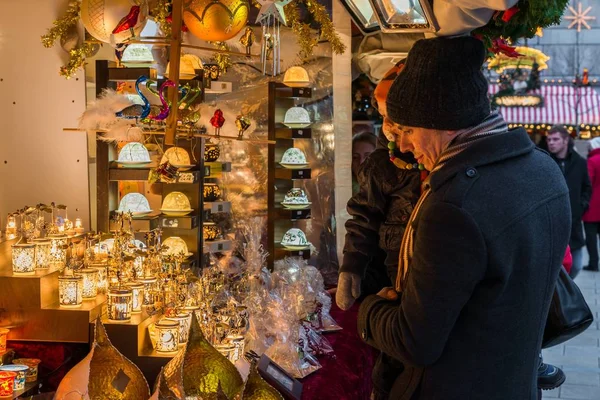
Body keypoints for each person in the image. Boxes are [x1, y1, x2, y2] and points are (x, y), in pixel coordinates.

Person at [357, 36, 571, 400]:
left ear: (443, 123)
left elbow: (415, 342)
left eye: (408, 130)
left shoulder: (453, 206)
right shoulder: (544, 169)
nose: (404, 146)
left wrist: (370, 308)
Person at [339, 61, 421, 308]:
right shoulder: (380, 164)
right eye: (383, 116)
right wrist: (352, 266)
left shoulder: (438, 159)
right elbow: (364, 216)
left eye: (394, 117)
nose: (389, 125)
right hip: (391, 279)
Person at [546, 126, 591, 278]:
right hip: (551, 223)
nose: (551, 143)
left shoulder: (580, 162)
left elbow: (587, 187)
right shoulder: (544, 162)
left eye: (555, 139)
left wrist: (582, 206)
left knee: (577, 264)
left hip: (574, 222)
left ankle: (564, 292)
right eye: (549, 139)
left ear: (565, 140)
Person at [583, 137, 600, 272]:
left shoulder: (591, 161)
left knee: (591, 238)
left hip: (593, 207)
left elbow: (588, 182)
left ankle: (594, 263)